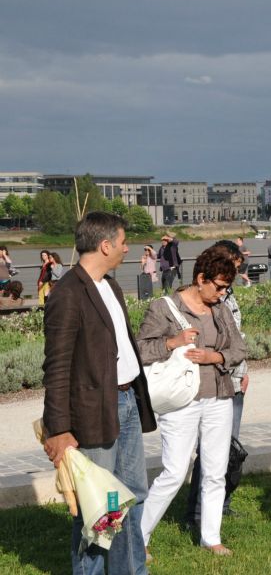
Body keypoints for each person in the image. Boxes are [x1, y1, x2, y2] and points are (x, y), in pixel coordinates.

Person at [41, 212, 157, 574]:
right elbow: (56, 368)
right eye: (123, 242)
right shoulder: (67, 294)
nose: (127, 249)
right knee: (98, 508)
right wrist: (58, 430)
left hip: (126, 403)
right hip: (92, 412)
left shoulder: (111, 286)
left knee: (132, 497)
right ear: (105, 245)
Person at [137, 247, 246, 558]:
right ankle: (138, 535)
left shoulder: (221, 309)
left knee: (215, 471)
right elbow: (141, 350)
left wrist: (217, 357)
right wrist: (172, 342)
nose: (224, 293)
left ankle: (211, 538)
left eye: (227, 288)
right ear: (201, 279)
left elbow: (239, 349)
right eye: (220, 286)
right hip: (181, 400)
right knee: (173, 471)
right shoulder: (164, 308)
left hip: (219, 397)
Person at [185, 240, 250, 525]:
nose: (234, 273)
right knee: (211, 451)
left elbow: (237, 339)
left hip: (234, 378)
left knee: (226, 450)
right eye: (233, 266)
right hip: (217, 381)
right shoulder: (206, 298)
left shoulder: (227, 295)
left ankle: (219, 504)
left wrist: (243, 371)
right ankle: (198, 512)